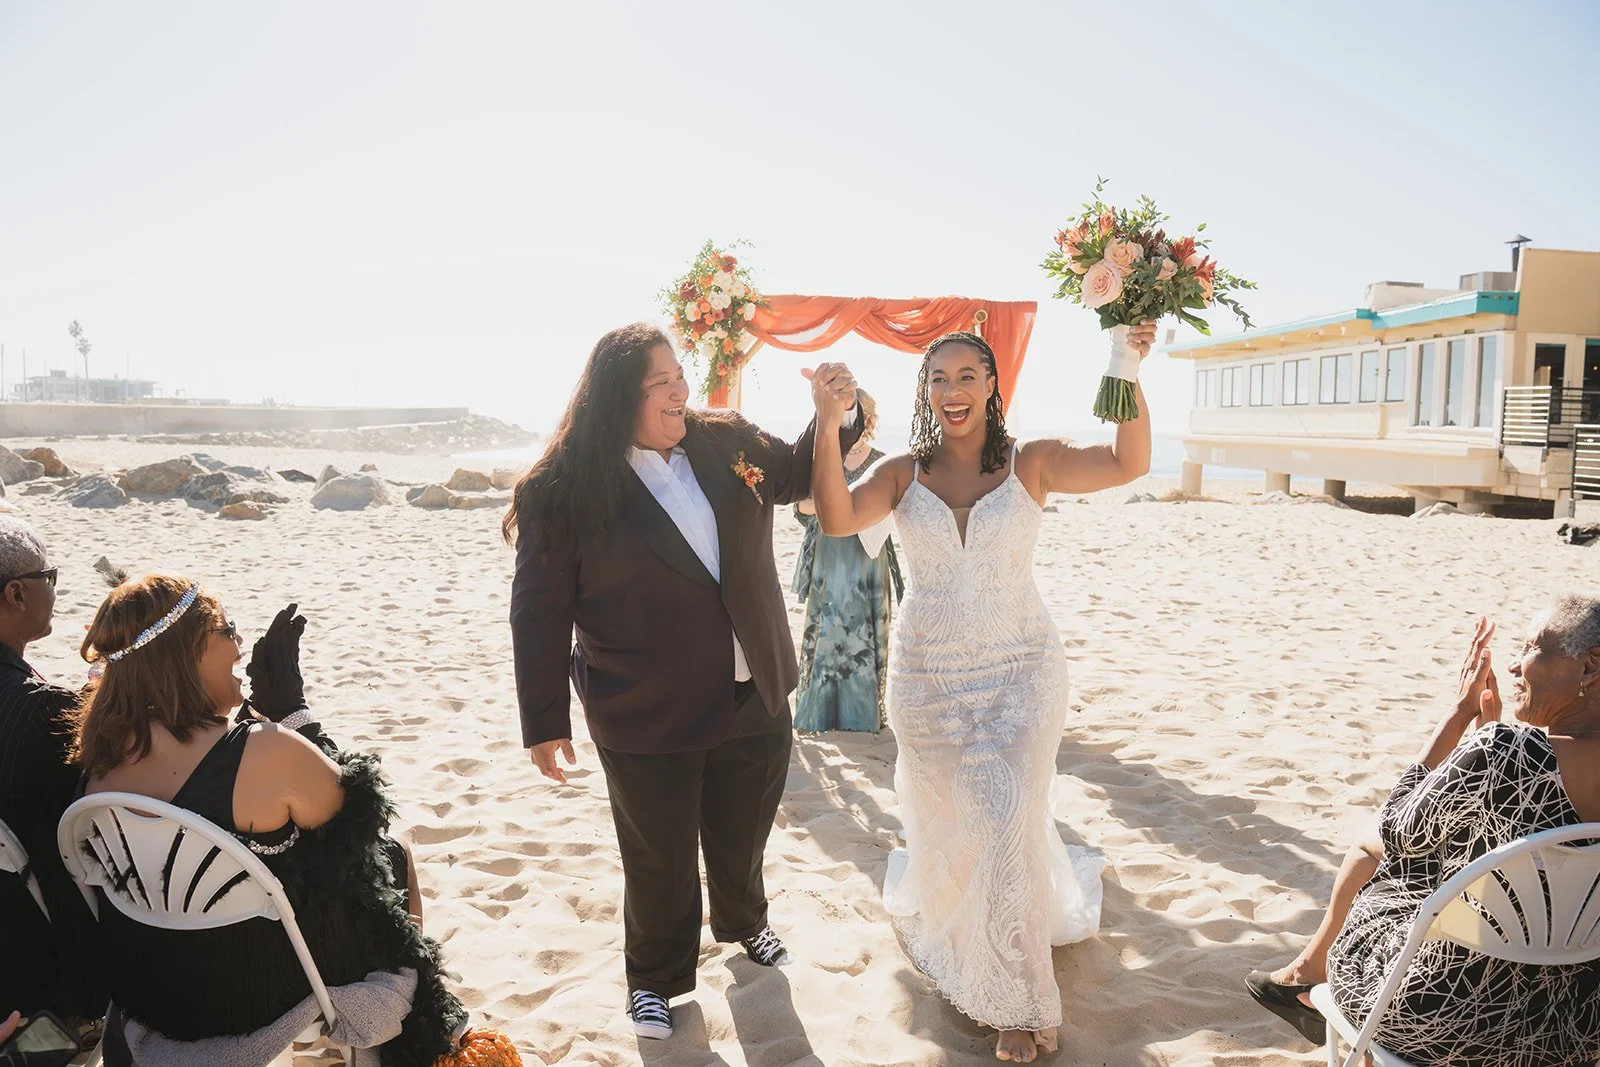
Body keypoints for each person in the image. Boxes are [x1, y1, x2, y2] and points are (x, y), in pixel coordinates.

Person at [805, 326, 1157, 1062]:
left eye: (968, 376)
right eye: (940, 379)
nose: (954, 391)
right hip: (929, 681)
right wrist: (827, 423)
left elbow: (1130, 461)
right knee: (961, 823)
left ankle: (1020, 1004)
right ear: (926, 392)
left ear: (993, 385)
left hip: (1021, 670)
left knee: (1005, 811)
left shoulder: (1033, 462)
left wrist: (1126, 366)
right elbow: (836, 518)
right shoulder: (903, 473)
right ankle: (979, 945)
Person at [506, 322, 862, 1040]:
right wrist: (544, 722)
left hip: (751, 686)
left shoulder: (724, 439)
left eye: (680, 376)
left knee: (744, 830)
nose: (681, 391)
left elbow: (798, 469)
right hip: (645, 706)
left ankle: (746, 921)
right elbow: (538, 611)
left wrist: (836, 415)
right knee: (659, 855)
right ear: (617, 399)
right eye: (661, 383)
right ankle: (656, 980)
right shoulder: (563, 489)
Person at [72, 574, 468, 1066]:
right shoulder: (261, 752)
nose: (239, 644)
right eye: (227, 629)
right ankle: (414, 1039)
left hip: (158, 993)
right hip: (254, 994)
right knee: (392, 855)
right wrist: (292, 713)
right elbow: (359, 823)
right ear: (186, 654)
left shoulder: (98, 763)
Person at [1248, 600, 1600, 1067]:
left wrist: (1459, 718)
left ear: (1590, 666)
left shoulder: (1504, 753)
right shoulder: (1506, 754)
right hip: (1570, 1031)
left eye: (1532, 648)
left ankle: (1308, 982)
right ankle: (1302, 977)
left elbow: (1398, 827)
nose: (1515, 664)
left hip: (1438, 1017)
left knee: (1379, 849)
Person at [0, 516, 105, 1025]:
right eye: (51, 577)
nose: (55, 591)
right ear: (16, 595)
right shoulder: (37, 710)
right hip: (43, 956)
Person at [791, 387, 902, 732]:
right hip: (829, 557)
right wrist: (838, 507)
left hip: (868, 558)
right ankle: (820, 714)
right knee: (827, 631)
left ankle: (861, 715)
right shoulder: (822, 459)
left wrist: (857, 510)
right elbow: (801, 507)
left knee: (866, 635)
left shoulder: (884, 462)